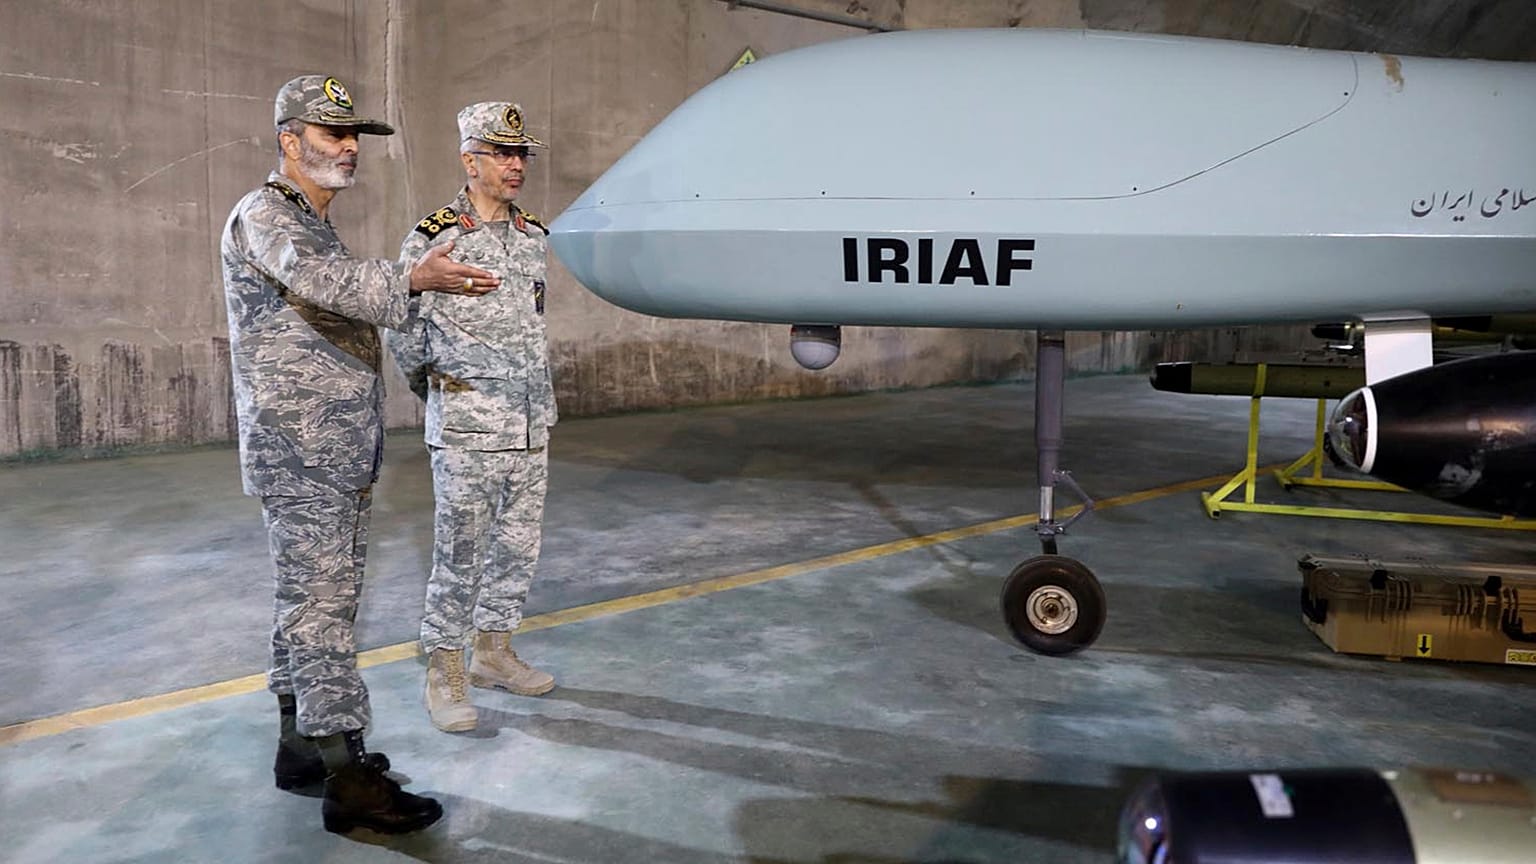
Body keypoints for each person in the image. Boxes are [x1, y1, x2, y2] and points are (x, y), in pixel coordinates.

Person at [221, 74, 500, 834]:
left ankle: (301, 750)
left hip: (333, 448)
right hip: (301, 451)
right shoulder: (265, 214)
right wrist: (413, 276)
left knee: (305, 606)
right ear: (289, 140)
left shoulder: (312, 222)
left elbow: (332, 290)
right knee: (324, 610)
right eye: (331, 134)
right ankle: (347, 776)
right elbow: (323, 283)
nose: (348, 148)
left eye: (354, 136)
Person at [385, 101, 559, 734]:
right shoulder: (436, 237)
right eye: (502, 154)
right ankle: (446, 669)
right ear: (470, 160)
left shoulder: (535, 237)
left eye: (521, 154)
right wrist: (441, 394)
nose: (516, 165)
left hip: (532, 420)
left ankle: (494, 651)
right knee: (460, 551)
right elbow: (403, 327)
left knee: (518, 548)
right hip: (467, 425)